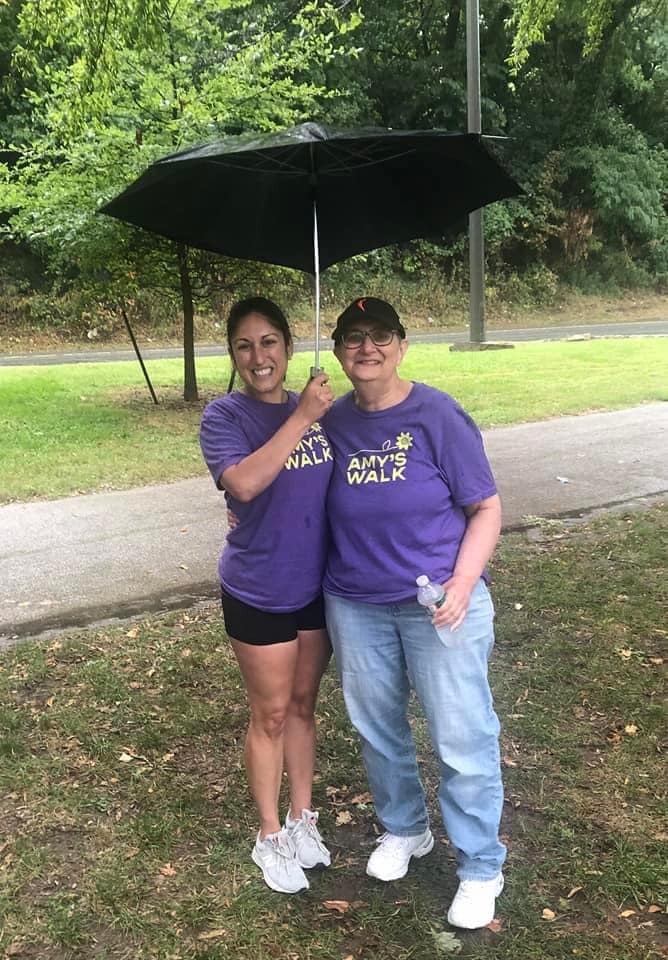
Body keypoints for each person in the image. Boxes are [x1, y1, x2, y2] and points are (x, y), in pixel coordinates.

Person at [322, 296, 506, 930]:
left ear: (402, 345)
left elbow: (485, 508)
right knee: (377, 729)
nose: (366, 348)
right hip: (355, 602)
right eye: (353, 337)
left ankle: (481, 866)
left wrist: (463, 583)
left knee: (461, 737)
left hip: (439, 605)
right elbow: (298, 492)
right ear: (337, 351)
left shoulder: (437, 415)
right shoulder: (331, 421)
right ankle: (406, 829)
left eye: (380, 336)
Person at [199, 296, 335, 895]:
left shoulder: (321, 408)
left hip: (316, 586)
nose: (259, 357)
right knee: (271, 713)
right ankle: (270, 834)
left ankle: (303, 819)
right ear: (233, 354)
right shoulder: (224, 417)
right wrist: (301, 417)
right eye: (245, 345)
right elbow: (247, 484)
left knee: (303, 705)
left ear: (289, 346)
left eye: (270, 342)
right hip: (258, 588)